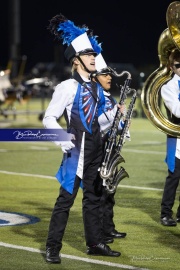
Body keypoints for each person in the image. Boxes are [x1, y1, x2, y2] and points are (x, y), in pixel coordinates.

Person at [43, 14, 121, 264]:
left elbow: (97, 122)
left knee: (94, 200)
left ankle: (95, 243)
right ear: (76, 61)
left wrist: (116, 117)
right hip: (75, 152)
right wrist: (61, 138)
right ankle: (52, 247)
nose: (93, 59)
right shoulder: (67, 87)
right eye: (88, 56)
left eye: (93, 55)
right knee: (65, 201)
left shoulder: (98, 88)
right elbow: (48, 118)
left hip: (96, 152)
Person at [92, 54, 129, 240]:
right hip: (99, 148)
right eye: (104, 74)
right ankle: (99, 232)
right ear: (94, 77)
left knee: (110, 191)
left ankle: (109, 227)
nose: (110, 77)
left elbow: (116, 123)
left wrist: (124, 126)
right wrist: (116, 112)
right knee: (99, 193)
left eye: (109, 74)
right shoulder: (95, 98)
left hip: (111, 148)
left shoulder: (111, 99)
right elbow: (97, 123)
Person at [160, 48, 180, 226]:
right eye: (178, 65)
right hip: (177, 139)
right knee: (174, 177)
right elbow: (177, 110)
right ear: (171, 67)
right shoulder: (168, 87)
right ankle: (166, 213)